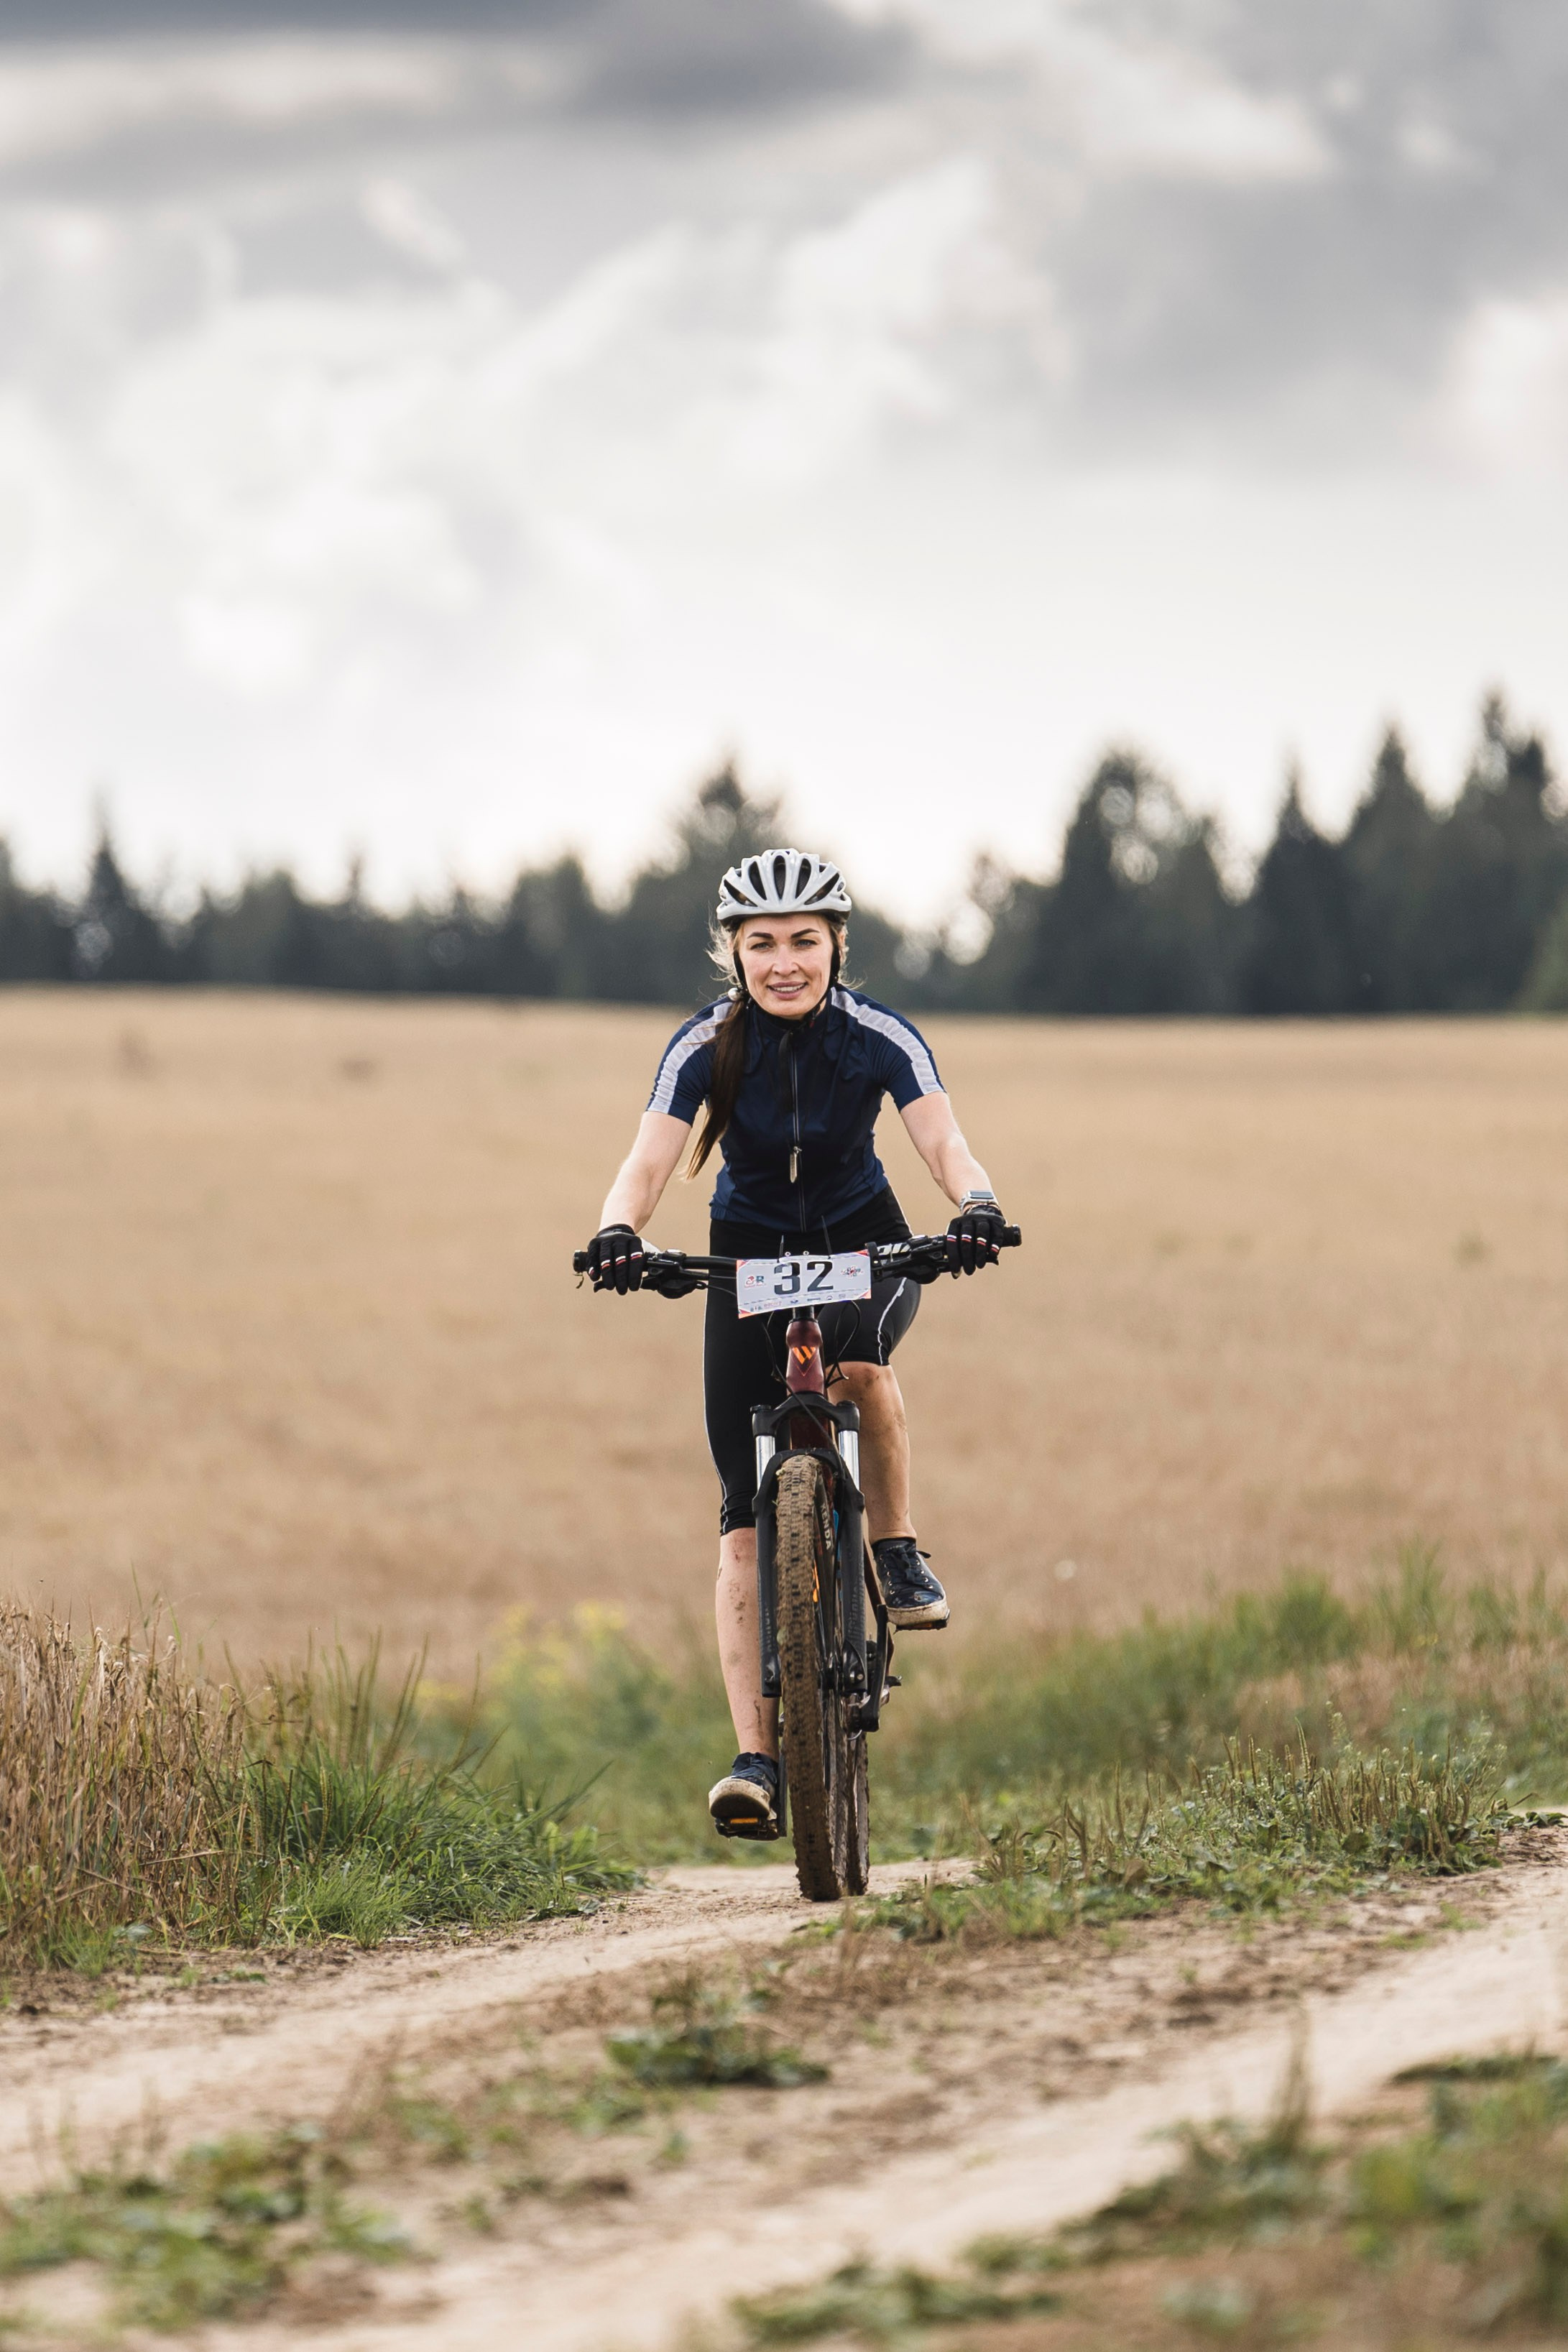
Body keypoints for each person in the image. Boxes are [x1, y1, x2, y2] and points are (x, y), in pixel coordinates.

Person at [581, 849, 1013, 1840]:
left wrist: (977, 1204)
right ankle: (756, 1760)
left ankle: (895, 1553)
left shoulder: (876, 1036)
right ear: (731, 952)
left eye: (803, 942)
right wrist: (618, 1231)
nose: (784, 962)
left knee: (861, 1367)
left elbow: (942, 1140)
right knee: (741, 1522)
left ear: (835, 947)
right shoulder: (702, 1043)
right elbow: (647, 1159)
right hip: (747, 1254)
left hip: (866, 1241)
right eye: (761, 943)